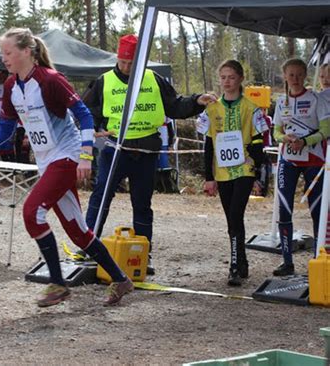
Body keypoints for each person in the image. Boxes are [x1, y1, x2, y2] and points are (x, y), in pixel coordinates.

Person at [0, 27, 134, 307]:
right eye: (2, 53)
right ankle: (121, 279)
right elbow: (7, 128)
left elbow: (84, 116)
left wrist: (85, 156)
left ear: (27, 52)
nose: (4, 58)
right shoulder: (10, 86)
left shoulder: (50, 80)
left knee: (32, 213)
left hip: (66, 155)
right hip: (46, 160)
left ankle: (57, 283)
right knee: (79, 233)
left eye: (8, 52)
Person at [83, 34, 216, 275]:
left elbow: (175, 105)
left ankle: (143, 254)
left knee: (142, 204)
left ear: (141, 61)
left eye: (131, 63)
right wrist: (92, 127)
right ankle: (87, 248)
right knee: (101, 197)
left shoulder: (154, 79)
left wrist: (198, 101)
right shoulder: (104, 81)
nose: (126, 67)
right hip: (115, 150)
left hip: (146, 152)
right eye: (123, 62)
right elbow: (88, 111)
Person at [197, 60, 267, 286]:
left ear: (240, 79)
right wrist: (208, 177)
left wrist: (255, 163)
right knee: (232, 219)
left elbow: (259, 141)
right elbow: (208, 145)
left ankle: (235, 266)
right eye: (223, 77)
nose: (227, 82)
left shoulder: (251, 107)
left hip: (244, 169)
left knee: (236, 214)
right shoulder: (212, 108)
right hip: (222, 171)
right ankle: (243, 262)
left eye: (231, 77)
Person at [272, 58, 330, 276]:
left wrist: (305, 141)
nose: (294, 79)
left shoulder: (316, 99)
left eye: (298, 74)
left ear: (305, 75)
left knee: (316, 211)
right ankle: (287, 262)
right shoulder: (280, 102)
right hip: (289, 160)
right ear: (285, 76)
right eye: (291, 75)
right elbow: (276, 131)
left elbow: (326, 130)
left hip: (314, 160)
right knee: (284, 208)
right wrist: (283, 137)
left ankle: (317, 260)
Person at [0, 69, 16, 162]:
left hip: (8, 118)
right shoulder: (0, 87)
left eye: (0, 74)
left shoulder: (10, 86)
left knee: (8, 143)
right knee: (0, 143)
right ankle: (4, 162)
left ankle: (11, 163)